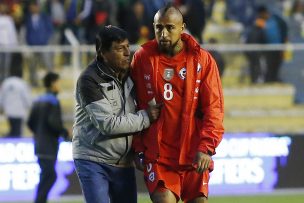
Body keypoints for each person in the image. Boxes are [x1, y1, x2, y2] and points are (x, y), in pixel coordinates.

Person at [131, 4, 224, 203]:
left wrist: (206, 148)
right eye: (158, 28)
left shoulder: (203, 60)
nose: (163, 33)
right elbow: (134, 104)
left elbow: (213, 108)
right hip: (158, 155)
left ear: (182, 28)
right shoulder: (142, 58)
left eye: (170, 28)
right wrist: (138, 147)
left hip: (193, 153)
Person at [72, 25, 160, 203]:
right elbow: (108, 124)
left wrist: (139, 149)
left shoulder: (132, 73)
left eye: (128, 46)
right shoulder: (89, 80)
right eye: (120, 48)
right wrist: (145, 117)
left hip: (124, 162)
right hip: (93, 158)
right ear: (102, 52)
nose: (127, 53)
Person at [27, 72, 69, 203]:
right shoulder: (53, 101)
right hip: (49, 145)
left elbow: (30, 122)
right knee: (50, 175)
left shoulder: (38, 100)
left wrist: (39, 134)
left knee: (46, 175)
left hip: (39, 144)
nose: (59, 85)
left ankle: (40, 200)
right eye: (58, 82)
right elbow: (53, 122)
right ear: (52, 83)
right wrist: (64, 132)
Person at [0, 66, 32, 138]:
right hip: (19, 112)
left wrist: (1, 107)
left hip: (9, 112)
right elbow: (26, 98)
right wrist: (29, 107)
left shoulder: (6, 82)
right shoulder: (22, 83)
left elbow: (1, 96)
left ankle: (7, 138)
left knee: (13, 130)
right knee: (17, 133)